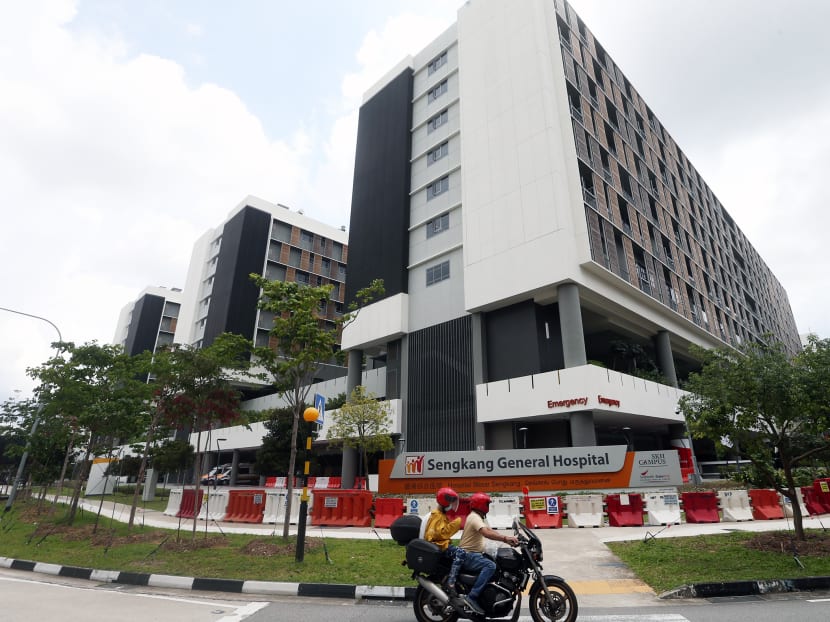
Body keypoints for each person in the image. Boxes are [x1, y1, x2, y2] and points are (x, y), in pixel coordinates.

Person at [457, 492, 519, 615]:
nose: (488, 506)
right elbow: (486, 533)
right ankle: (472, 597)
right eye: (487, 504)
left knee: (494, 561)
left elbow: (489, 530)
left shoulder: (477, 517)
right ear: (481, 505)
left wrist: (508, 539)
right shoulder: (474, 517)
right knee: (490, 566)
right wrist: (505, 539)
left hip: (472, 554)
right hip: (469, 555)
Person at [423, 487, 465, 601]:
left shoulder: (440, 514)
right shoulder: (437, 515)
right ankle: (451, 583)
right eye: (451, 502)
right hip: (439, 546)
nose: (452, 505)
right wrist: (456, 524)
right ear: (445, 501)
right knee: (460, 553)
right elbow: (438, 534)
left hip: (441, 545)